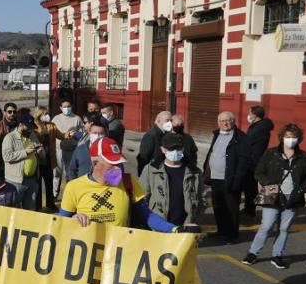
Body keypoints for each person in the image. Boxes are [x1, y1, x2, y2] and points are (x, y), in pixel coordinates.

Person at [59, 138, 190, 233]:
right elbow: (59, 225)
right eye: (112, 164)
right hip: (88, 253)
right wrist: (73, 219)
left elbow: (146, 215)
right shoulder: (74, 187)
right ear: (95, 163)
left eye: (119, 163)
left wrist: (174, 229)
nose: (118, 169)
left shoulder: (128, 182)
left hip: (118, 252)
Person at [242, 123, 306, 269]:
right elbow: (259, 171)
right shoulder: (271, 153)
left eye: (294, 137)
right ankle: (253, 253)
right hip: (271, 192)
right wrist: (268, 184)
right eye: (287, 136)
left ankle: (277, 255)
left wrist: (301, 190)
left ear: (299, 139)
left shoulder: (304, 157)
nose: (290, 139)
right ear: (282, 137)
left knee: (284, 228)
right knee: (266, 226)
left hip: (293, 196)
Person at [139, 132, 204, 230]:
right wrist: (146, 224)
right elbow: (142, 199)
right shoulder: (151, 170)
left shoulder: (194, 172)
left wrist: (194, 222)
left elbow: (200, 201)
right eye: (171, 149)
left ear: (183, 149)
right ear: (163, 149)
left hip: (185, 227)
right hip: (158, 226)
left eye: (178, 148)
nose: (175, 152)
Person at [204, 111, 248, 242]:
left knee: (231, 208)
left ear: (233, 121)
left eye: (228, 120)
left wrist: (237, 180)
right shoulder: (217, 134)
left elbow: (244, 161)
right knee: (218, 206)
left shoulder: (240, 137)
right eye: (222, 121)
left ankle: (232, 235)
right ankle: (221, 231)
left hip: (230, 179)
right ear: (218, 123)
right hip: (215, 177)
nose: (225, 123)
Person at [2, 112, 44, 210]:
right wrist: (25, 152)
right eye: (28, 127)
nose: (30, 130)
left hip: (32, 180)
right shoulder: (10, 137)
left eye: (31, 128)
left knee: (30, 210)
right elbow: (6, 156)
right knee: (14, 210)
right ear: (20, 125)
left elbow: (39, 151)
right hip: (15, 182)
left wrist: (40, 151)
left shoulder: (32, 135)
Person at [241, 106, 274, 219]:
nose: (248, 115)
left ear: (255, 115)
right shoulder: (259, 126)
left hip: (254, 161)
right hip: (254, 159)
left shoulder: (259, 128)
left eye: (250, 113)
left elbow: (248, 142)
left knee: (252, 187)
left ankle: (252, 210)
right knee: (251, 186)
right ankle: (250, 209)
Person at [32, 106, 60, 211]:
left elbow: (60, 135)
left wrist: (69, 135)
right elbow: (33, 140)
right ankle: (38, 206)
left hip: (49, 158)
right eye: (44, 114)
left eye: (47, 113)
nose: (47, 116)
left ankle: (50, 204)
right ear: (39, 115)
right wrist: (41, 135)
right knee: (38, 185)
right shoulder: (33, 126)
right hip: (38, 159)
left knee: (49, 183)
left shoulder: (51, 125)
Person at [52, 99, 84, 182]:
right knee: (56, 174)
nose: (67, 108)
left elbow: (82, 134)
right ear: (60, 108)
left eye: (68, 106)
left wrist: (76, 135)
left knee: (69, 173)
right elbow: (52, 134)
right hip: (58, 150)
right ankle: (55, 190)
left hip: (72, 151)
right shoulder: (56, 119)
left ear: (71, 107)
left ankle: (69, 189)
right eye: (64, 107)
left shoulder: (77, 118)